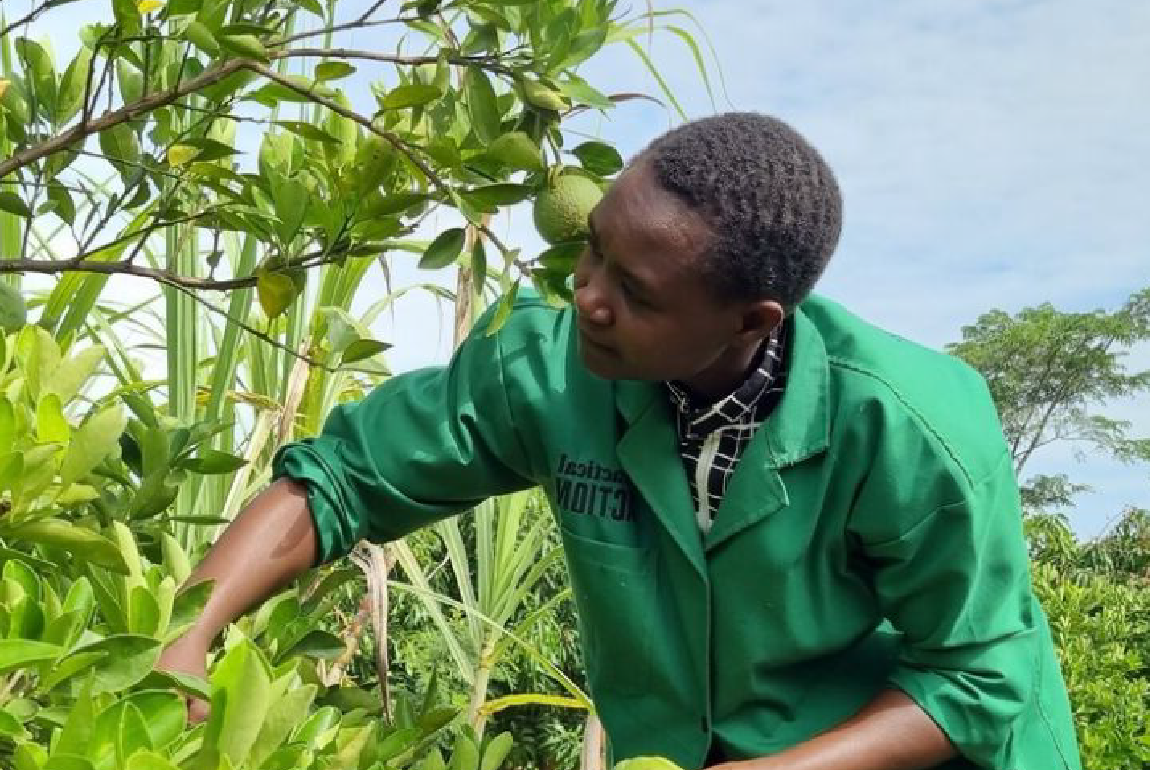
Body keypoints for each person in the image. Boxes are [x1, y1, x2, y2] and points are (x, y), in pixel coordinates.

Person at [155, 112, 1085, 770]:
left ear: (750, 319)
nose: (589, 297)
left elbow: (974, 676)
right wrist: (184, 633)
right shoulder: (544, 367)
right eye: (593, 249)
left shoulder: (910, 426)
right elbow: (340, 479)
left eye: (637, 294)